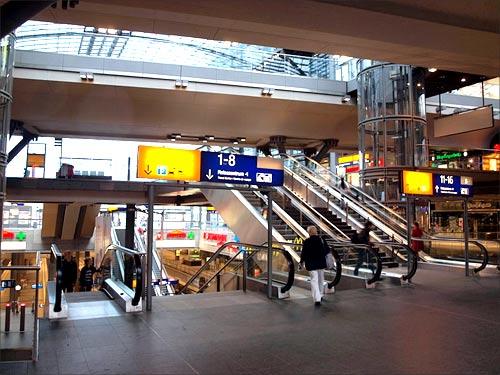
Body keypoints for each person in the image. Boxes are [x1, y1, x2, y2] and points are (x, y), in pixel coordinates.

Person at [300, 225, 329, 306]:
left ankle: (317, 299)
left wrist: (301, 262)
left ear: (309, 232)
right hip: (321, 263)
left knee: (314, 280)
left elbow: (303, 254)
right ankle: (320, 294)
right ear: (316, 232)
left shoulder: (306, 241)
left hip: (311, 264)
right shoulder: (321, 240)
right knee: (321, 279)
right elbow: (327, 250)